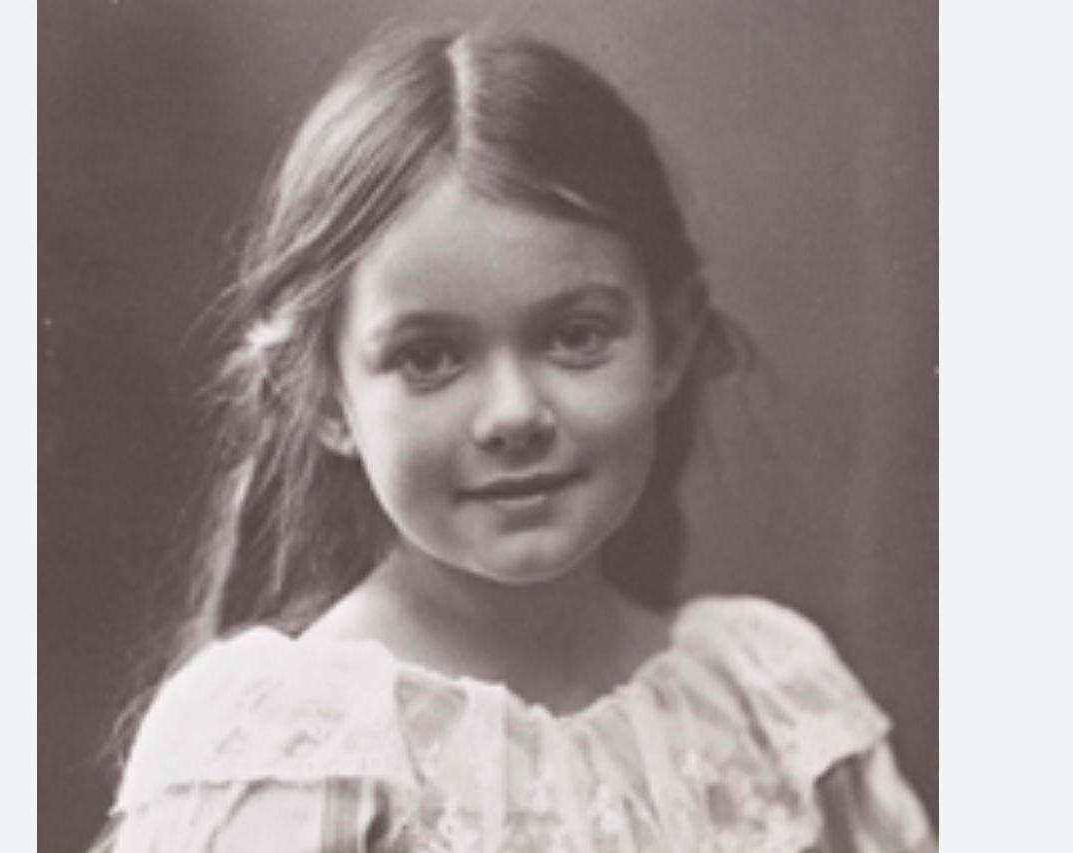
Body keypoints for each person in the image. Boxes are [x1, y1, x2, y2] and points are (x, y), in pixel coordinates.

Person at [94, 27, 936, 852]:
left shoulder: (771, 704)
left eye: (575, 336)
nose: (513, 413)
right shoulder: (296, 751)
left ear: (671, 343)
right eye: (428, 357)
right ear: (323, 397)